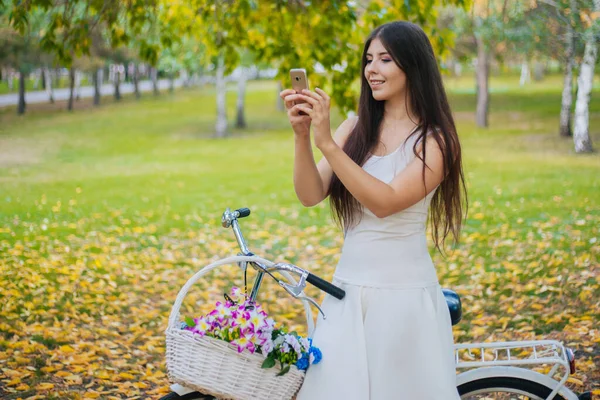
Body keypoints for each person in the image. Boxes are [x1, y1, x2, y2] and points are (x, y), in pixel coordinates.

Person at [280, 21, 467, 400]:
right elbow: (310, 193)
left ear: (412, 66)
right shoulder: (356, 128)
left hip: (402, 297)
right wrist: (303, 138)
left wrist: (329, 145)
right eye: (368, 60)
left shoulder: (436, 141)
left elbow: (385, 202)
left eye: (384, 59)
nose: (372, 70)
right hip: (346, 291)